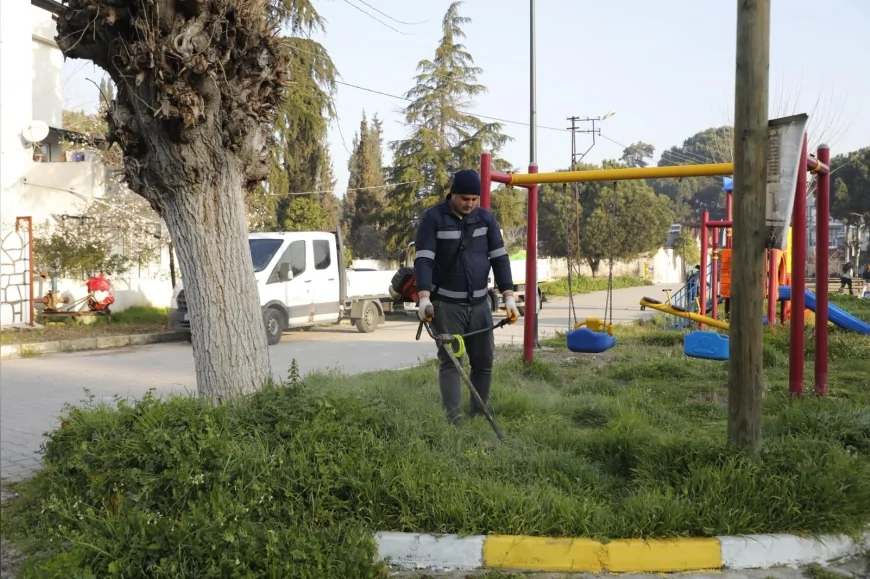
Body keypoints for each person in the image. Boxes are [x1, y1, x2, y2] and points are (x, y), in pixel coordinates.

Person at [414, 169, 520, 425]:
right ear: (452, 194)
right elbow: (424, 260)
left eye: (474, 199)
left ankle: (478, 416)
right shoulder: (433, 219)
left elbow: (499, 258)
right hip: (447, 305)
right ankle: (455, 421)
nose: (470, 204)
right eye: (464, 198)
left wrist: (508, 296)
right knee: (451, 364)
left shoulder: (486, 220)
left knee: (484, 362)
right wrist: (424, 298)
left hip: (480, 305)